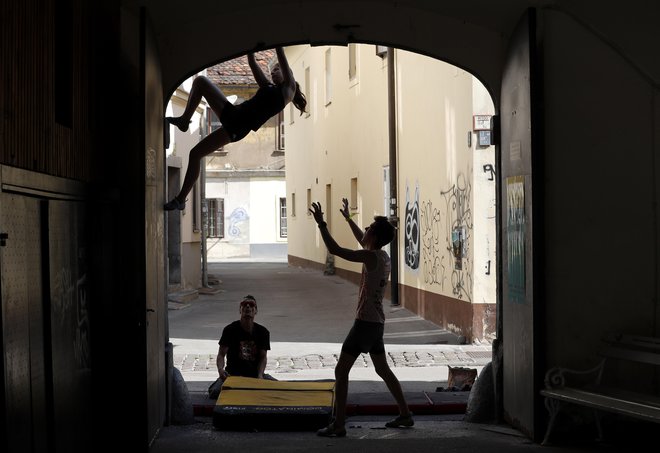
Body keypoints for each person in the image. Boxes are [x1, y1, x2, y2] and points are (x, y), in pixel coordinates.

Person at [309, 198, 414, 437]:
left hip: (364, 324)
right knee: (383, 370)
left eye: (368, 228)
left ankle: (339, 425)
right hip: (376, 324)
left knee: (341, 371)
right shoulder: (381, 257)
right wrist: (348, 218)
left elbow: (336, 250)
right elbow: (362, 241)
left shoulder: (371, 257)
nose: (364, 230)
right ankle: (405, 415)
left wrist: (322, 224)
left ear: (374, 237)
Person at [164, 47, 307, 210]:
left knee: (195, 154)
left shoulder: (288, 91)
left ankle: (180, 200)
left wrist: (277, 42)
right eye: (272, 70)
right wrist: (252, 49)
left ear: (287, 73)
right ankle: (184, 121)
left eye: (277, 70)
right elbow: (252, 63)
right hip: (233, 113)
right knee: (200, 82)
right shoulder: (267, 87)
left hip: (238, 126)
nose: (273, 72)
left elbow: (282, 56)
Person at [208, 295, 275, 399]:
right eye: (244, 304)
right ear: (240, 310)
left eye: (251, 304)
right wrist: (221, 370)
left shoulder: (263, 332)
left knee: (278, 388)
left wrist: (260, 375)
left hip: (254, 376)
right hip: (232, 376)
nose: (247, 306)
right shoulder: (229, 330)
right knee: (215, 392)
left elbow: (263, 357)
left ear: (256, 311)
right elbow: (221, 354)